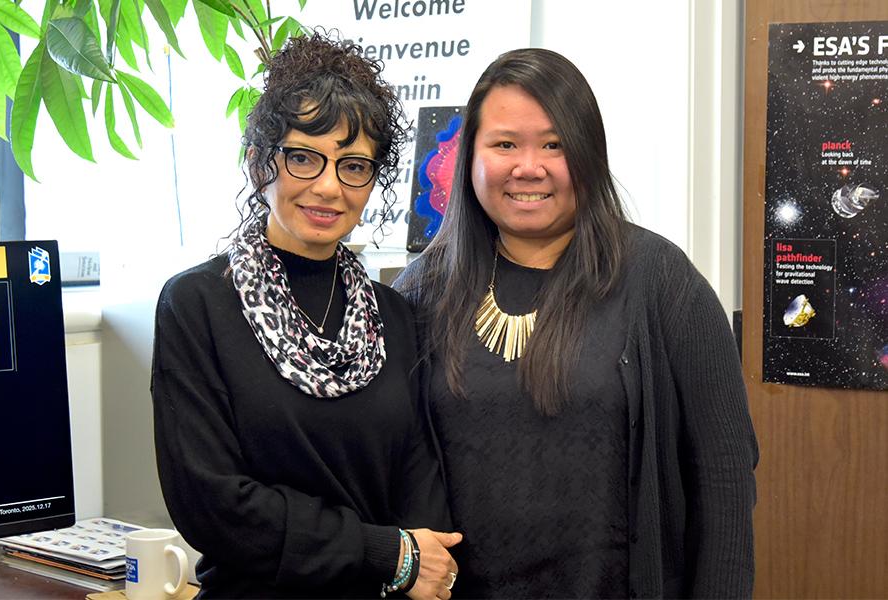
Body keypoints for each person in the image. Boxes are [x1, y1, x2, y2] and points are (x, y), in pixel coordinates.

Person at [393, 48, 759, 599]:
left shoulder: (660, 280)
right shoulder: (421, 292)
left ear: (588, 154)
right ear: (471, 156)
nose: (528, 166)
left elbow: (725, 473)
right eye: (504, 144)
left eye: (554, 144)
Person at [151, 32, 461, 599]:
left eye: (354, 166)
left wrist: (412, 556)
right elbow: (212, 503)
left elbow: (422, 488)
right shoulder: (197, 305)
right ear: (258, 163)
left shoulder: (395, 316)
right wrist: (382, 551)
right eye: (302, 157)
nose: (328, 187)